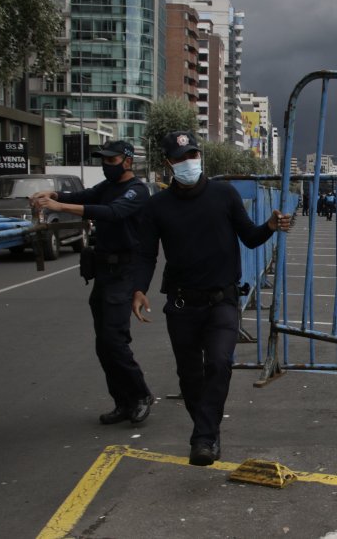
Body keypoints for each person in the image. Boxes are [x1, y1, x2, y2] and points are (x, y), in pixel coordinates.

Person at [130, 131, 293, 466]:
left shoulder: (224, 194)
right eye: (180, 158)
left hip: (222, 300)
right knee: (190, 376)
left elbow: (249, 237)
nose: (188, 162)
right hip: (181, 303)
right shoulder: (157, 206)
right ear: (168, 164)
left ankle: (204, 438)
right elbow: (147, 254)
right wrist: (138, 288)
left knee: (218, 363)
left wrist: (270, 226)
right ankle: (207, 430)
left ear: (200, 157)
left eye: (192, 155)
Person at [30, 140, 154, 426]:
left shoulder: (137, 191)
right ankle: (122, 401)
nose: (106, 166)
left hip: (124, 273)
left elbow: (112, 212)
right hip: (104, 273)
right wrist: (56, 192)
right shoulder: (106, 187)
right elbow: (84, 194)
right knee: (103, 344)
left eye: (111, 161)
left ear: (127, 162)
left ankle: (140, 395)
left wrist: (58, 205)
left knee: (115, 340)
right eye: (103, 161)